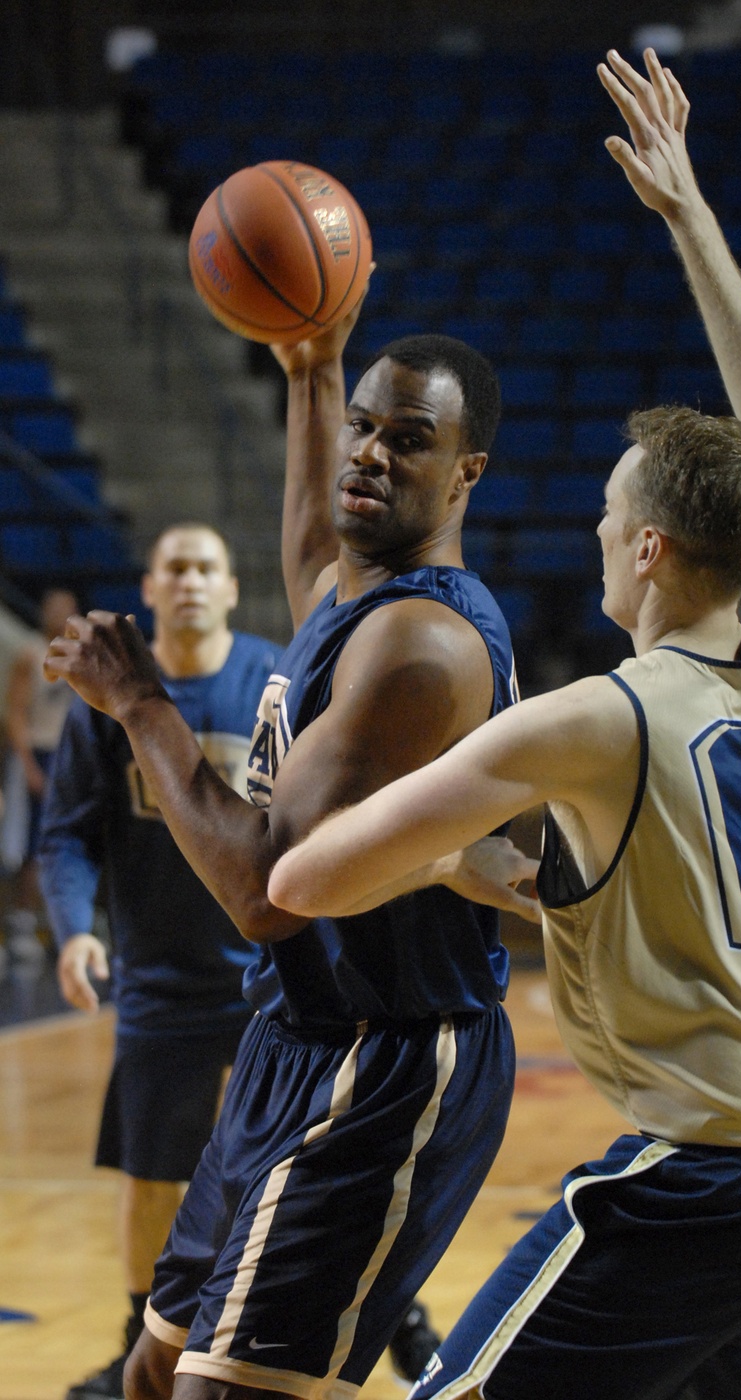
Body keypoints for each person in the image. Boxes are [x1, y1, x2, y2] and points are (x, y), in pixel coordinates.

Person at [265, 50, 741, 1400]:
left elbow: (306, 876)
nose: (598, 530)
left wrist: (433, 847)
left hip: (718, 1172)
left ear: (653, 550)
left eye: (613, 514)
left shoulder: (586, 721)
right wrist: (692, 219)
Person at [43, 297, 538, 1394]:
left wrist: (139, 704)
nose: (369, 451)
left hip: (388, 1059)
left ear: (467, 472)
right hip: (294, 1035)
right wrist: (313, 365)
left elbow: (269, 893)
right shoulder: (345, 593)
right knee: (153, 1372)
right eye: (364, 424)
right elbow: (313, 537)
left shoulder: (420, 644)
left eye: (408, 438)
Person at [38, 526, 277, 1400]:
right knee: (150, 1175)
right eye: (174, 567)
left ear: (231, 587)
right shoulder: (108, 696)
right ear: (150, 585)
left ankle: (260, 1337)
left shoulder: (272, 680)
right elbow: (64, 834)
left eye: (206, 567)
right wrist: (74, 929)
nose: (189, 582)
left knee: (272, 1172)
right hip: (159, 982)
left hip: (267, 979)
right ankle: (139, 1341)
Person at [3, 585, 78, 964]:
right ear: (44, 612)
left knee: (67, 841)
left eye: (69, 609)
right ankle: (23, 923)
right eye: (56, 608)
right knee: (30, 843)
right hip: (37, 754)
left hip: (69, 756)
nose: (63, 615)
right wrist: (28, 764)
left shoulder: (80, 657)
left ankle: (65, 925)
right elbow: (14, 714)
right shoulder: (30, 655)